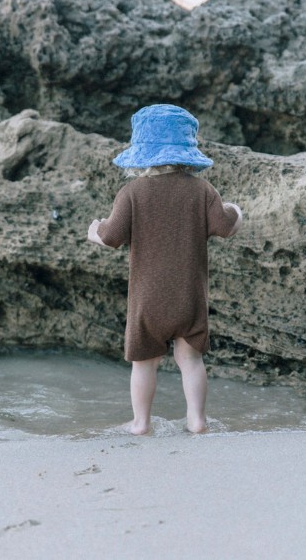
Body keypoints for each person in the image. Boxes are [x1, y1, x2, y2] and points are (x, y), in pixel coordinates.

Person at [87, 104, 243, 435]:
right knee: (191, 360)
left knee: (144, 363)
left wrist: (94, 230)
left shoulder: (131, 193)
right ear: (187, 149)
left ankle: (141, 423)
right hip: (188, 296)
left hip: (147, 300)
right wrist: (237, 210)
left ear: (141, 150)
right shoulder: (201, 190)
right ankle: (197, 420)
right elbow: (226, 225)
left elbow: (111, 236)